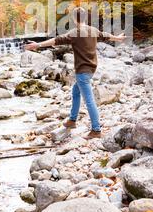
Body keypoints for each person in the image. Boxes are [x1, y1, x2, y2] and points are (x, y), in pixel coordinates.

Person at [25, 7, 127, 139]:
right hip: (91, 68)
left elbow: (56, 40)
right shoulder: (93, 30)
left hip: (82, 71)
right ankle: (72, 120)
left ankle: (96, 130)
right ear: (85, 18)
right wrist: (118, 38)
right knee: (75, 91)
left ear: (74, 18)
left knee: (89, 100)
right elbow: (105, 35)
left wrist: (37, 45)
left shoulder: (75, 33)